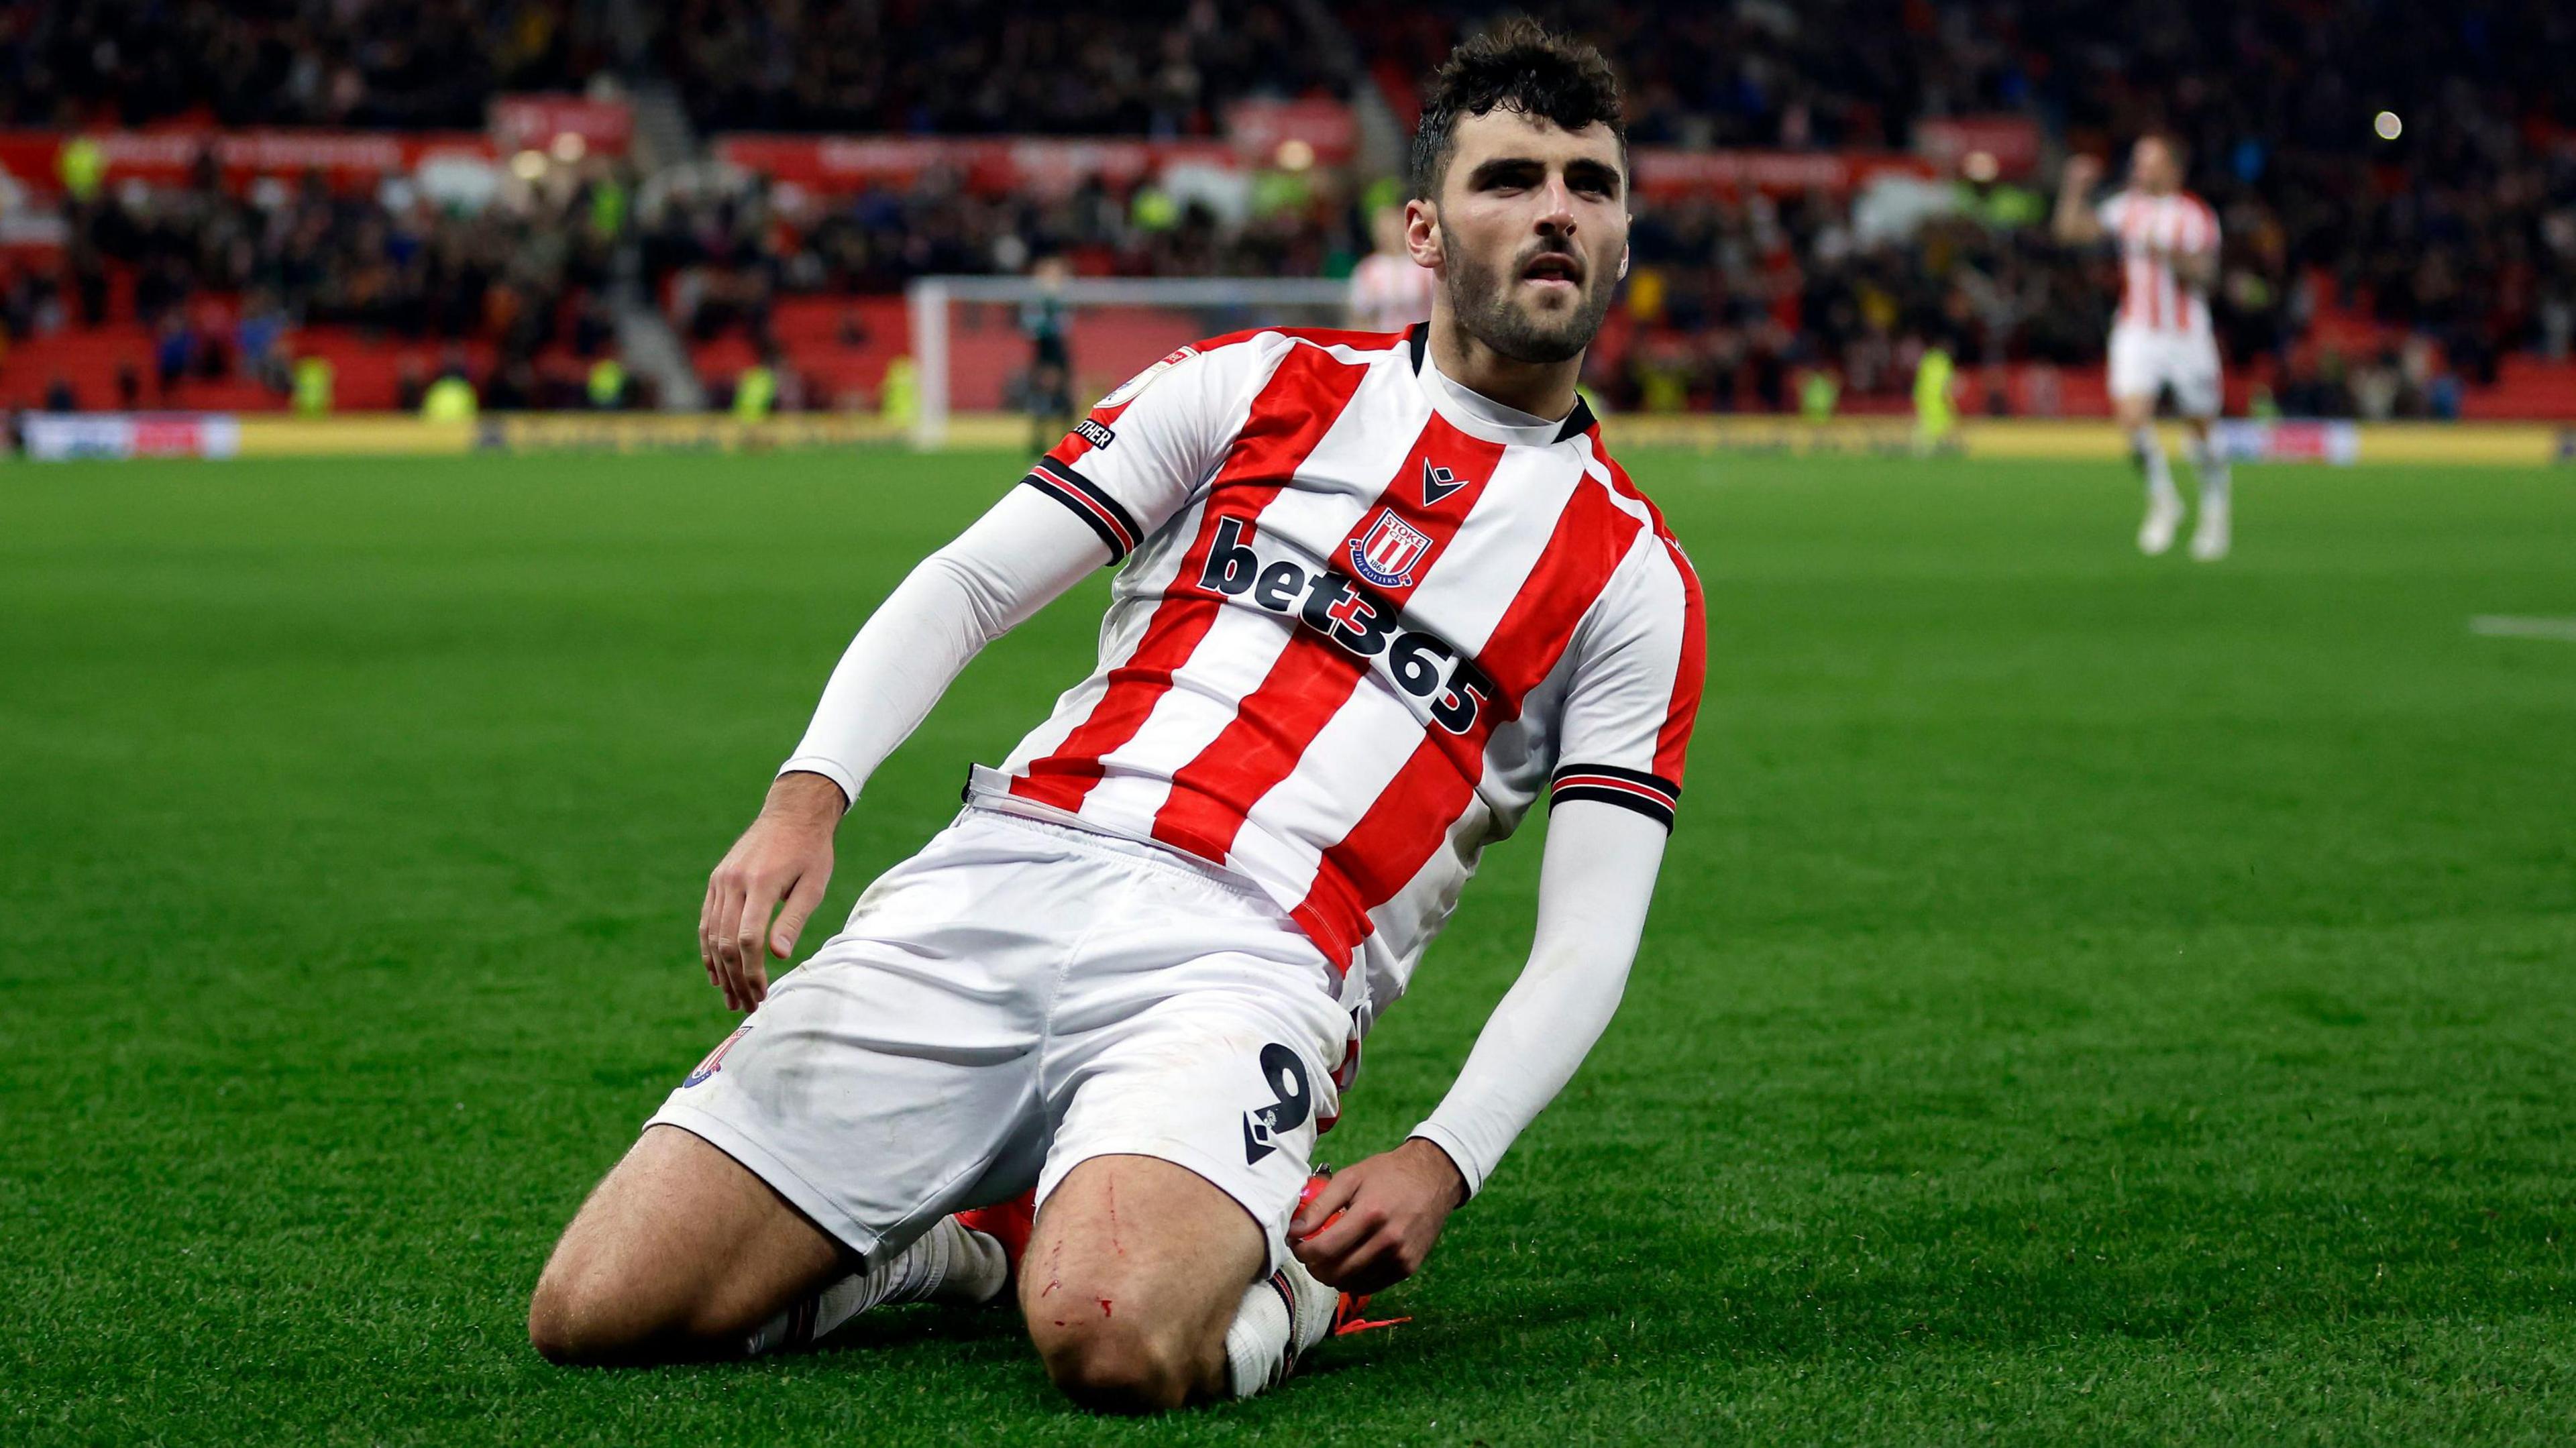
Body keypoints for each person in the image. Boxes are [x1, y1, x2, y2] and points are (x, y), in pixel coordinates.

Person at [528, 20, 1702, 1414]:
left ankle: (1300, 1288)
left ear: (1624, 236)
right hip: (1006, 870)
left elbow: (1588, 935)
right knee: (597, 1307)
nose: (1557, 210)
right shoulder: (1248, 384)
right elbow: (968, 583)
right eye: (1510, 178)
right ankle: (948, 1256)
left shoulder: (1633, 578)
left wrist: (1445, 1153)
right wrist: (809, 792)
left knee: (1113, 1335)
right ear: (1425, 228)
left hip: (1249, 956)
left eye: (1592, 184)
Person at [2053, 134, 2232, 559]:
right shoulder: (2127, 207)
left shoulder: (2195, 216)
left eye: (2148, 162)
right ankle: (2164, 499)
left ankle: (2215, 507)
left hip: (2186, 334)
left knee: (2201, 430)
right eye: (2137, 161)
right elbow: (2069, 233)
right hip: (2137, 329)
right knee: (2132, 418)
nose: (2138, 169)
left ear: (2172, 168)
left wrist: (2163, 251)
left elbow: (2207, 275)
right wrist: (2074, 188)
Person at [1348, 201, 1439, 333]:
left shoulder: (1424, 265)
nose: (1390, 233)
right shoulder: (1368, 269)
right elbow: (1360, 315)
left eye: (1395, 226)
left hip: (1420, 339)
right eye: (1384, 228)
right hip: (1382, 343)